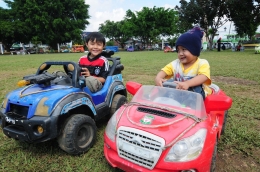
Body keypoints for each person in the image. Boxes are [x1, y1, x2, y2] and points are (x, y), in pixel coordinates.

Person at [155, 26, 212, 99]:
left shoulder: (202, 63)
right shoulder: (175, 63)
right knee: (169, 82)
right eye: (178, 50)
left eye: (184, 49)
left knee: (196, 87)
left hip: (196, 96)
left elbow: (203, 76)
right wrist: (158, 78)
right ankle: (166, 101)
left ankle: (189, 106)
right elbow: (164, 71)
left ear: (194, 50)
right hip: (179, 93)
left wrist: (187, 84)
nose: (180, 53)